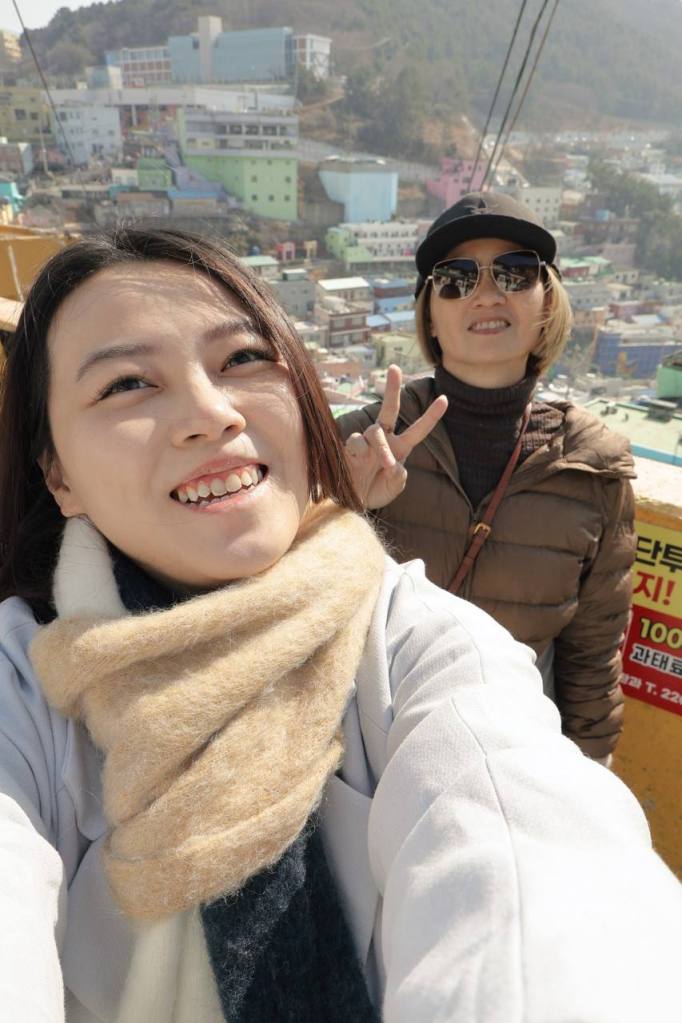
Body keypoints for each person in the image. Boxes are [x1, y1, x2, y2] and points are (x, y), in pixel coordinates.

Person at [0, 227, 679, 1023]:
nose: (211, 414)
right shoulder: (28, 682)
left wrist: (587, 752)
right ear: (58, 474)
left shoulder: (427, 640)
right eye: (125, 384)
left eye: (242, 359)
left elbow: (531, 862)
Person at [339, 191, 635, 765]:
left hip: (508, 764)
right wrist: (345, 510)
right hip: (367, 758)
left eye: (515, 273)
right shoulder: (360, 445)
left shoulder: (593, 468)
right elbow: (280, 601)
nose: (487, 294)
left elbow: (591, 658)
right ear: (429, 314)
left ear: (547, 300)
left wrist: (588, 774)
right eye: (455, 279)